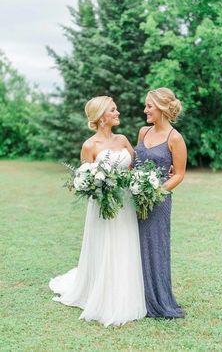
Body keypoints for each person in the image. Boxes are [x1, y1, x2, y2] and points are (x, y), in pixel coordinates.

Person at [49, 96, 146, 327]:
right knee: (105, 246)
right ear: (102, 116)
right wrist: (97, 186)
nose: (118, 112)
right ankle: (102, 293)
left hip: (124, 203)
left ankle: (125, 290)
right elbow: (83, 180)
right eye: (113, 110)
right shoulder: (89, 145)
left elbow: (135, 167)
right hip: (103, 205)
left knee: (124, 244)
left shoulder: (123, 139)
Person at [135, 87, 187, 318]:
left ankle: (157, 301)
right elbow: (134, 163)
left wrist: (155, 191)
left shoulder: (175, 138)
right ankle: (134, 298)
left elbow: (178, 174)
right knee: (132, 246)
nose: (145, 110)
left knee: (155, 247)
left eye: (149, 106)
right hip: (135, 199)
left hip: (158, 201)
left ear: (163, 108)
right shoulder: (142, 132)